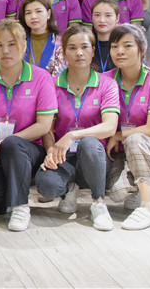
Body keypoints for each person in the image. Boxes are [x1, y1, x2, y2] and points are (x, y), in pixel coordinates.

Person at [0, 19, 58, 232]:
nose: (5, 51)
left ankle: (21, 206)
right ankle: (10, 197)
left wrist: (6, 141)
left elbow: (44, 125)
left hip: (29, 150)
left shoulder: (41, 77)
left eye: (12, 44)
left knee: (12, 144)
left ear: (24, 46)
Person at [35, 26, 120, 231]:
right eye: (72, 48)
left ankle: (98, 203)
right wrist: (50, 152)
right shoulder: (52, 85)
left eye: (84, 47)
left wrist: (73, 135)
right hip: (63, 156)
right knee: (47, 185)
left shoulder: (107, 84)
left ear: (93, 50)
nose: (79, 53)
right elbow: (47, 129)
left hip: (94, 157)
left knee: (89, 143)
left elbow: (110, 127)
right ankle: (69, 188)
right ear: (64, 53)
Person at [103, 23, 150, 231]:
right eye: (114, 46)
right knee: (116, 193)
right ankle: (138, 185)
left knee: (135, 139)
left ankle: (148, 208)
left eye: (127, 46)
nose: (119, 51)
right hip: (123, 152)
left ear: (142, 50)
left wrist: (118, 135)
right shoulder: (106, 80)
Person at [18, 0, 66, 77]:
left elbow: (61, 76)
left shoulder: (60, 45)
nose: (33, 16)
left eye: (38, 11)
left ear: (48, 14)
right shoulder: (19, 42)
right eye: (28, 13)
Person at [91, 0, 119, 73]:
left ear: (117, 18)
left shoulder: (122, 45)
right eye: (97, 15)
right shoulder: (87, 44)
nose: (102, 20)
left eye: (108, 15)